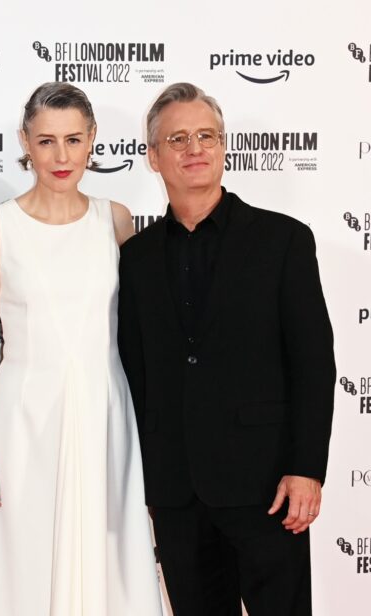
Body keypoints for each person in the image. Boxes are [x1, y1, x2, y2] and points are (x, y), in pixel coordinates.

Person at [118, 82, 335, 616]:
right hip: (177, 492)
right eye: (178, 139)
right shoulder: (137, 257)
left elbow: (313, 363)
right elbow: (137, 373)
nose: (195, 148)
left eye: (206, 135)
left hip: (269, 488)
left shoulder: (283, 240)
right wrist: (150, 480)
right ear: (153, 156)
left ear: (222, 146)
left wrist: (307, 468)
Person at [0, 82, 163, 615]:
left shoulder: (116, 219)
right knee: (23, 563)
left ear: (93, 139)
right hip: (22, 421)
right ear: (25, 141)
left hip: (105, 414)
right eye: (46, 141)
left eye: (73, 140)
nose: (61, 156)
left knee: (108, 560)